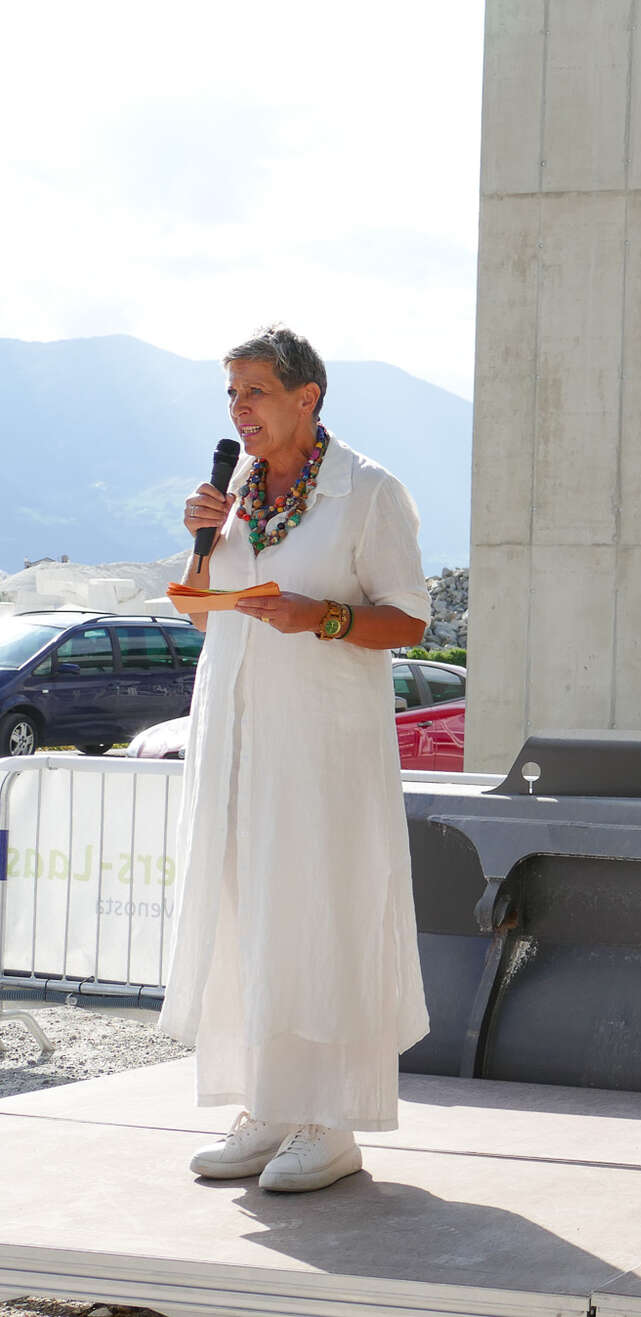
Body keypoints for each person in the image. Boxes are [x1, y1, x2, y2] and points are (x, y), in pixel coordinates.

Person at [163, 325, 433, 1192]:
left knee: (322, 908)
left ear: (306, 396)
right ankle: (269, 1105)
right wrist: (200, 538)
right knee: (250, 910)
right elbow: (200, 612)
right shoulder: (236, 492)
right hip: (238, 739)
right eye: (231, 394)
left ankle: (331, 1120)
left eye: (255, 391)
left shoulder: (367, 490)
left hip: (324, 747)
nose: (238, 409)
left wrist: (323, 616)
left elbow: (410, 618)